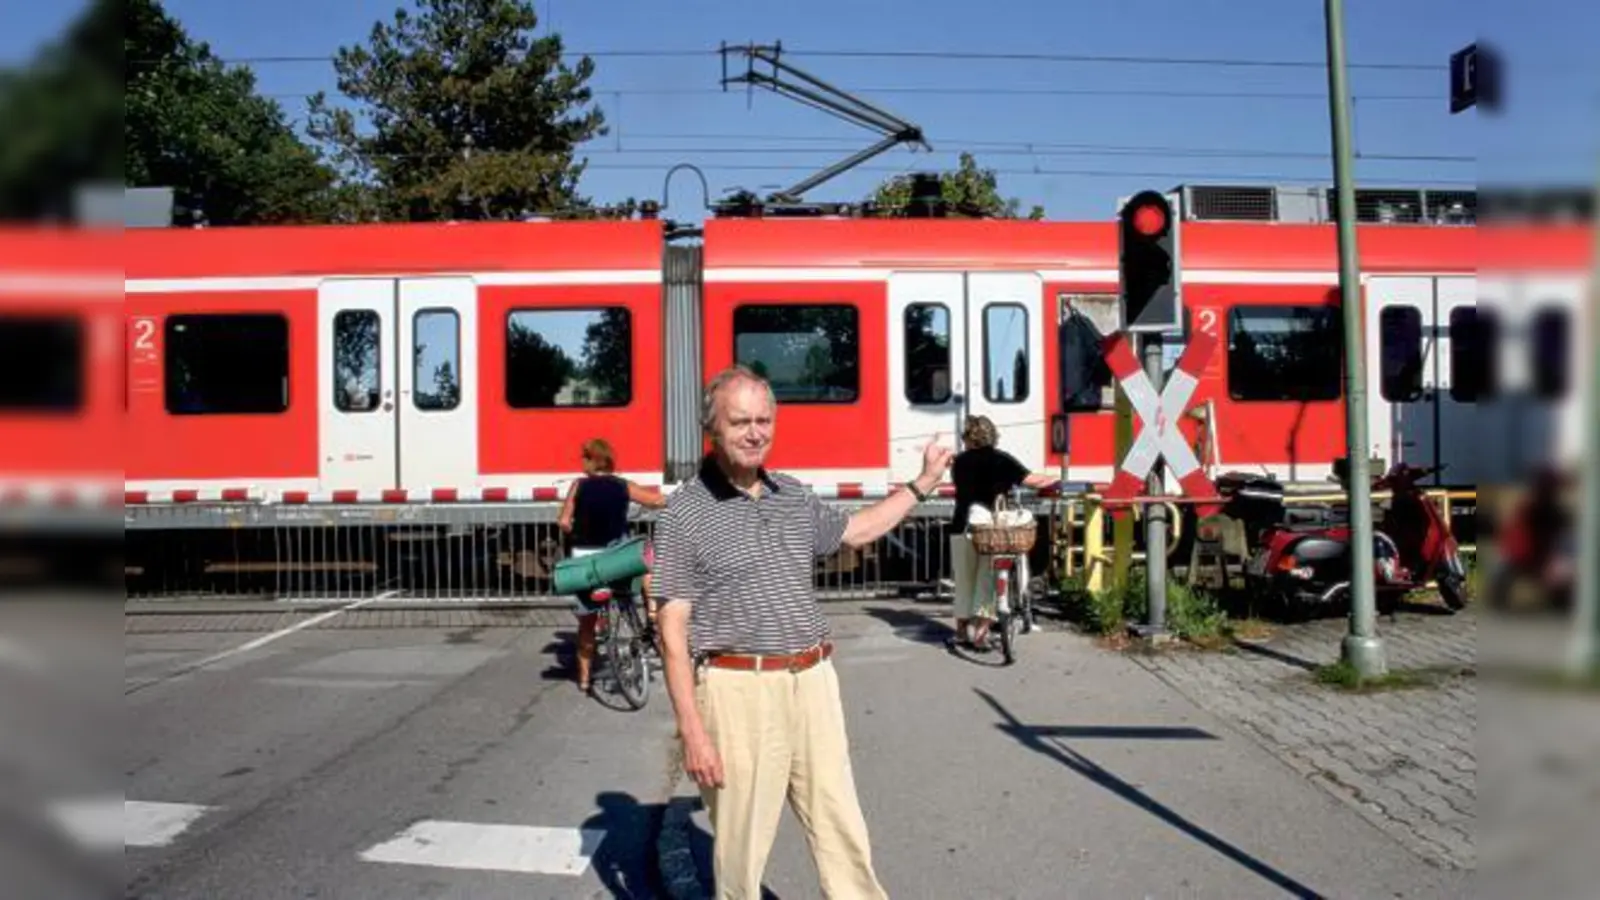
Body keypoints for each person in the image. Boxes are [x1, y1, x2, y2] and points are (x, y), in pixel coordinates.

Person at [650, 365, 953, 900]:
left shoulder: (791, 494)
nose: (755, 432)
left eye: (764, 420)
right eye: (740, 420)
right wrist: (693, 733)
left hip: (812, 680)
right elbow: (671, 630)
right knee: (741, 852)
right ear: (712, 429)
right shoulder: (685, 513)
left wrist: (922, 485)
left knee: (842, 829)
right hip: (738, 689)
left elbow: (856, 532)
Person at [556, 438, 667, 694]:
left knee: (586, 624)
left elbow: (563, 521)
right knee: (646, 564)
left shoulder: (578, 486)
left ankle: (584, 681)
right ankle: (651, 614)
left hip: (586, 562)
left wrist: (572, 527)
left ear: (591, 460)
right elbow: (655, 501)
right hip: (617, 559)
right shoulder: (622, 485)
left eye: (583, 457)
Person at [946, 415, 1061, 652]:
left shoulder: (960, 462)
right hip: (992, 531)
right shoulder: (1002, 460)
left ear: (968, 437)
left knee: (964, 582)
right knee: (987, 582)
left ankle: (960, 632)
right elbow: (1034, 480)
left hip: (961, 526)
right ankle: (981, 633)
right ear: (992, 435)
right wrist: (1058, 479)